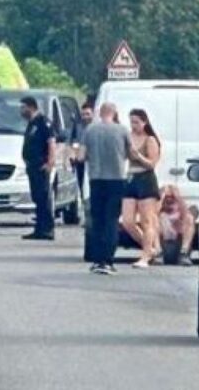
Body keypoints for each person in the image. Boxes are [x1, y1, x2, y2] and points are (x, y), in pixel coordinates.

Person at [78, 103, 131, 275]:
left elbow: (81, 156)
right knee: (112, 220)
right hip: (116, 179)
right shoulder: (122, 130)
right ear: (115, 113)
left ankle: (98, 260)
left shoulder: (90, 130)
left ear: (100, 113)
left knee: (98, 220)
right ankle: (108, 260)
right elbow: (131, 153)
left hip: (96, 179)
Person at [120, 108, 162, 269]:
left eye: (137, 122)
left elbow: (152, 163)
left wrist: (139, 156)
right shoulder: (129, 138)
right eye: (131, 122)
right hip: (131, 177)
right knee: (128, 221)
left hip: (146, 178)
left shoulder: (150, 140)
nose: (134, 125)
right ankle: (150, 247)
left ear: (144, 122)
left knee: (147, 219)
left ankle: (145, 256)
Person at [20, 96, 57, 241]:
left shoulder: (43, 122)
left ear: (31, 107)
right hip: (33, 166)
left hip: (42, 166)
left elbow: (51, 142)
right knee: (37, 197)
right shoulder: (32, 123)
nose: (21, 111)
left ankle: (47, 229)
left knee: (43, 197)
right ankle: (39, 229)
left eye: (23, 107)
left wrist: (50, 162)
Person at [158, 185, 196, 266]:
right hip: (162, 249)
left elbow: (186, 214)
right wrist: (161, 197)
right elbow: (153, 214)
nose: (169, 200)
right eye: (167, 198)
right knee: (154, 220)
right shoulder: (160, 215)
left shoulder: (181, 215)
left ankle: (184, 253)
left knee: (189, 218)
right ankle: (158, 253)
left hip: (178, 249)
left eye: (172, 197)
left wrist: (178, 197)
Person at [71, 103, 94, 199]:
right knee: (81, 185)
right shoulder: (78, 126)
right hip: (80, 161)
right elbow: (73, 141)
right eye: (83, 114)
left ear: (93, 114)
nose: (85, 117)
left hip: (94, 161)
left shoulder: (97, 127)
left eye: (88, 114)